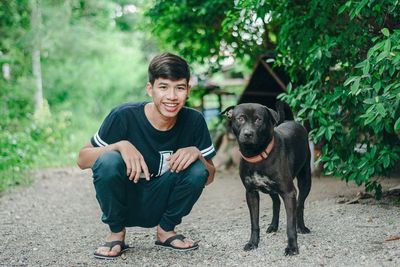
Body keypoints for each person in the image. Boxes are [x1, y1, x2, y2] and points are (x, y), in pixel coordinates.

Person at [77, 52, 216, 259]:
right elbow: (82, 159)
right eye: (163, 87)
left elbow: (209, 176)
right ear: (150, 89)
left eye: (179, 87)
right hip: (125, 201)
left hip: (162, 202)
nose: (171, 96)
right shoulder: (123, 116)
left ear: (188, 90)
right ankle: (116, 234)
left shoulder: (194, 121)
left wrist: (197, 154)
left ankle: (166, 231)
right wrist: (119, 145)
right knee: (108, 159)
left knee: (198, 168)